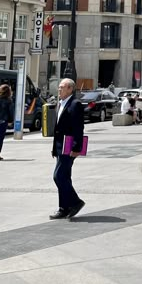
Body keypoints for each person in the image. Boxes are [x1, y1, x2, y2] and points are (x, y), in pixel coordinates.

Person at [50, 78, 86, 220]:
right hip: (60, 146)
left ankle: (76, 202)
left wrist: (77, 147)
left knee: (58, 176)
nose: (59, 90)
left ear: (70, 89)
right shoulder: (60, 104)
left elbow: (78, 127)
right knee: (65, 177)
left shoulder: (75, 104)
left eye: (62, 87)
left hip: (69, 146)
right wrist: (54, 149)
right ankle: (63, 208)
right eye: (59, 87)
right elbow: (58, 129)